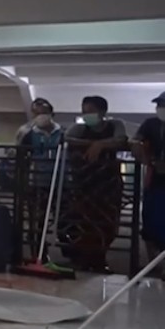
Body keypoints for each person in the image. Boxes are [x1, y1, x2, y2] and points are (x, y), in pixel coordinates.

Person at [62, 96, 127, 274]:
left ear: (102, 112)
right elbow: (67, 138)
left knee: (108, 223)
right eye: (84, 111)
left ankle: (99, 258)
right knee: (85, 222)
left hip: (108, 185)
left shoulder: (115, 125)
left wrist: (101, 144)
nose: (86, 115)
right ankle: (87, 260)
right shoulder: (80, 128)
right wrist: (92, 144)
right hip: (84, 184)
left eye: (90, 111)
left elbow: (121, 139)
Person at [17, 99, 65, 256]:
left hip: (60, 183)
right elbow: (21, 157)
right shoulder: (28, 134)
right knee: (37, 222)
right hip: (37, 183)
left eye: (43, 113)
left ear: (52, 114)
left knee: (64, 220)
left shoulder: (63, 133)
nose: (40, 117)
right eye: (36, 113)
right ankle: (38, 254)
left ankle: (70, 253)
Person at [133, 92, 165, 275]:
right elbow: (136, 141)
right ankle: (153, 265)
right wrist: (141, 152)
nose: (161, 108)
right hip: (154, 181)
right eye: (159, 105)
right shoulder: (150, 124)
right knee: (150, 225)